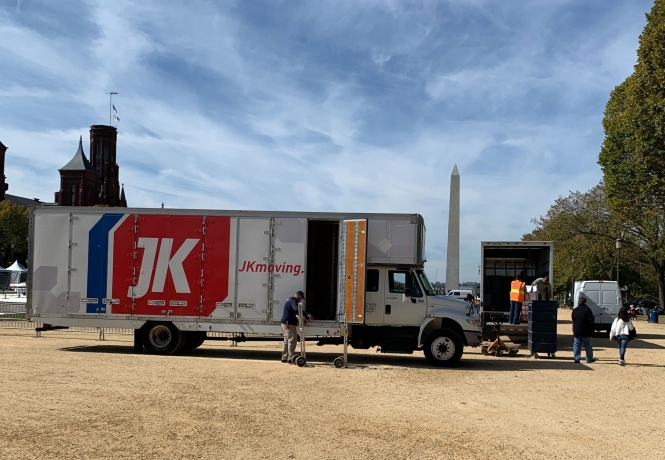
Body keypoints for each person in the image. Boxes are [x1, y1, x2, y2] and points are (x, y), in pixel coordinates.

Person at [280, 291, 313, 363]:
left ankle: (284, 357)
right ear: (297, 295)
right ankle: (290, 357)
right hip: (289, 324)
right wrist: (307, 314)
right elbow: (296, 309)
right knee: (292, 340)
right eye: (301, 298)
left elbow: (294, 311)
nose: (301, 300)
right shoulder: (293, 301)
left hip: (284, 323)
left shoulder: (289, 300)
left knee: (286, 340)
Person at [571, 297, 597, 363]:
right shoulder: (588, 310)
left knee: (576, 345)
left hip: (577, 330)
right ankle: (589, 358)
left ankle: (576, 358)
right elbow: (591, 321)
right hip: (586, 331)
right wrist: (592, 330)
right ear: (585, 302)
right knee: (588, 345)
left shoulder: (575, 310)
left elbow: (573, 319)